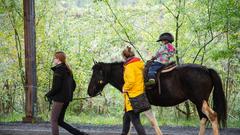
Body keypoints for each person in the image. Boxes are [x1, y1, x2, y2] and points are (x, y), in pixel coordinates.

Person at [45, 51, 88, 135]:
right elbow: (73, 85)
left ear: (58, 59)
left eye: (54, 58)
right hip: (66, 99)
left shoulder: (59, 70)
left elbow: (56, 87)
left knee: (53, 120)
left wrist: (48, 94)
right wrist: (67, 94)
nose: (54, 59)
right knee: (60, 121)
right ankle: (79, 134)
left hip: (59, 100)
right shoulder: (68, 70)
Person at [121, 46, 147, 135]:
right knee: (126, 118)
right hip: (138, 94)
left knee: (136, 121)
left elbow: (131, 81)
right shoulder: (139, 64)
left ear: (124, 56)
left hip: (132, 97)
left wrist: (124, 88)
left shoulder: (129, 67)